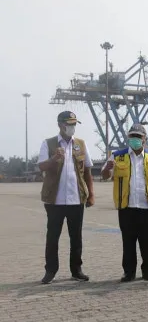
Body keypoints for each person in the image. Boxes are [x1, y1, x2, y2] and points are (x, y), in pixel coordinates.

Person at [101, 124, 148, 282]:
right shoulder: (117, 156)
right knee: (128, 241)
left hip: (147, 206)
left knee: (146, 241)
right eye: (132, 136)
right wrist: (107, 169)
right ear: (128, 138)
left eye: (138, 136)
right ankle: (129, 272)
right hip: (126, 207)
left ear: (145, 139)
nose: (135, 139)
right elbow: (104, 176)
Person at [37, 111, 94, 284]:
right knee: (52, 237)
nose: (72, 127)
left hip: (76, 200)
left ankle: (76, 270)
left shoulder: (81, 144)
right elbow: (42, 166)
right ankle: (50, 271)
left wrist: (91, 194)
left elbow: (88, 171)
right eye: (69, 124)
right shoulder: (48, 143)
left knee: (76, 237)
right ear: (60, 125)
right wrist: (54, 158)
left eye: (74, 124)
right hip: (55, 201)